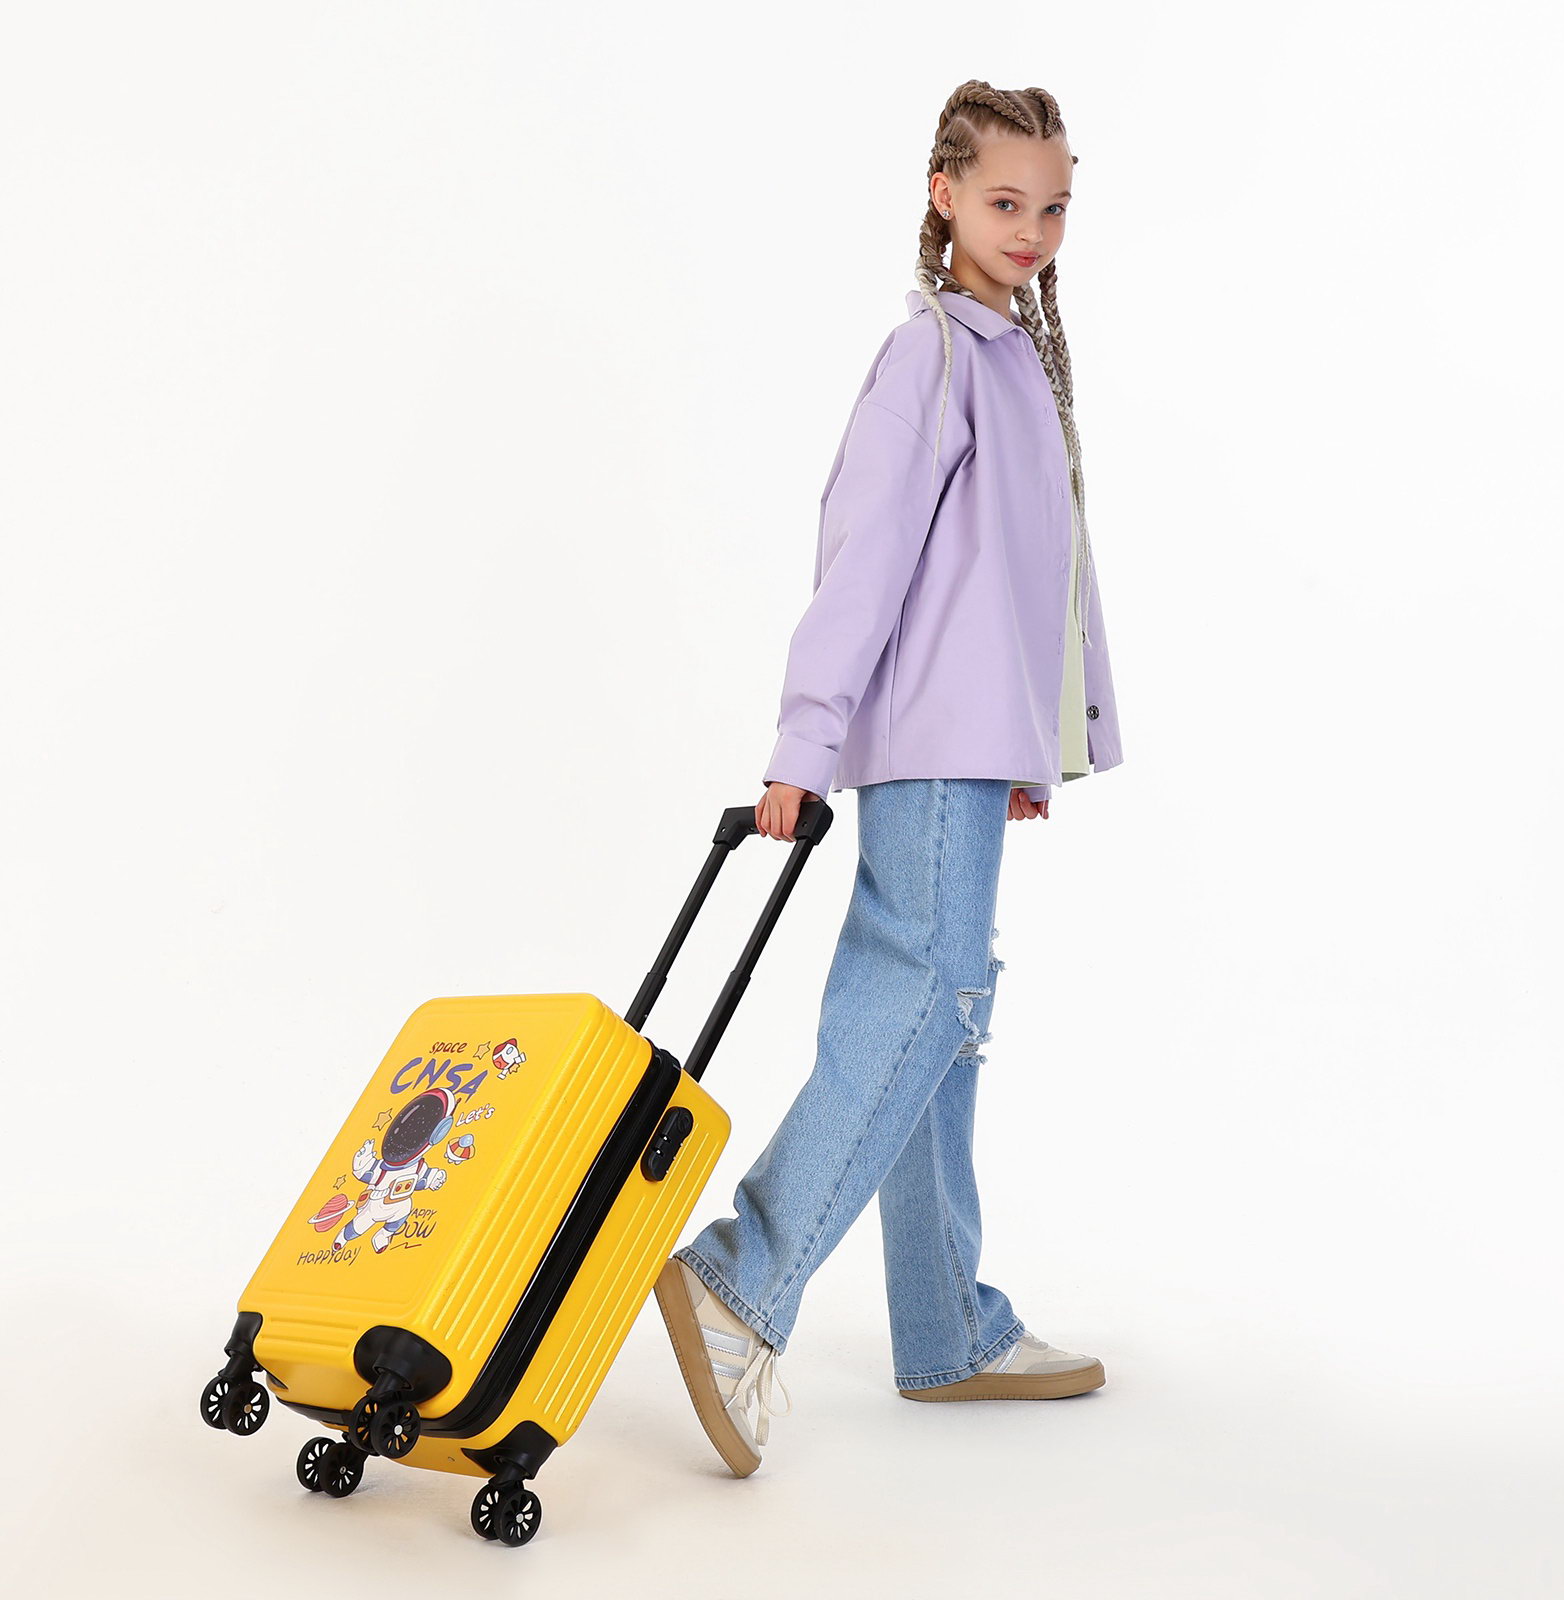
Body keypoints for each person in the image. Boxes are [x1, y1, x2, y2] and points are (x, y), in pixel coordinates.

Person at [652, 79, 1124, 1479]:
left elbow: (1027, 579)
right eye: (1004, 201)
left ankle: (943, 1325)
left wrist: (1034, 742)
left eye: (1052, 207)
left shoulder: (1015, 360)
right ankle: (741, 1277)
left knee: (943, 1021)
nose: (1030, 228)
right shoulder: (930, 358)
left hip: (971, 748)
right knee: (924, 995)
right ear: (944, 195)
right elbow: (862, 561)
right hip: (921, 739)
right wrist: (803, 746)